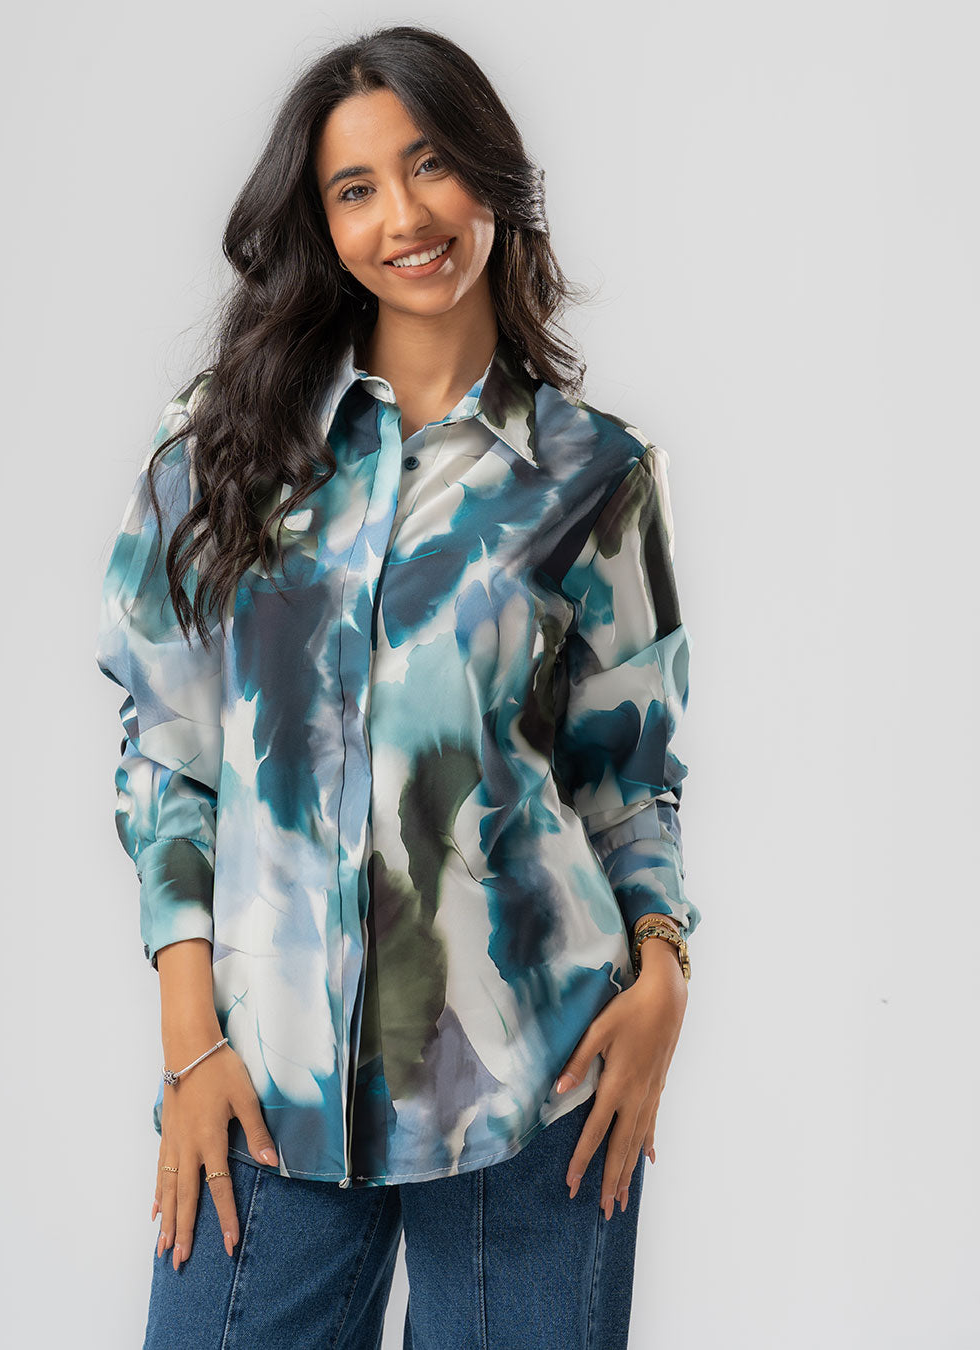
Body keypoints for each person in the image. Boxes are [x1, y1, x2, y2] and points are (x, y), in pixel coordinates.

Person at [95, 23, 700, 1350]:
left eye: (431, 165)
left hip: (542, 1080)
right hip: (266, 1083)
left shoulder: (594, 476)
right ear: (321, 225)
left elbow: (628, 774)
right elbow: (167, 751)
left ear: (491, 173)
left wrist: (664, 970)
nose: (405, 218)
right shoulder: (221, 448)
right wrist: (190, 1041)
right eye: (355, 188)